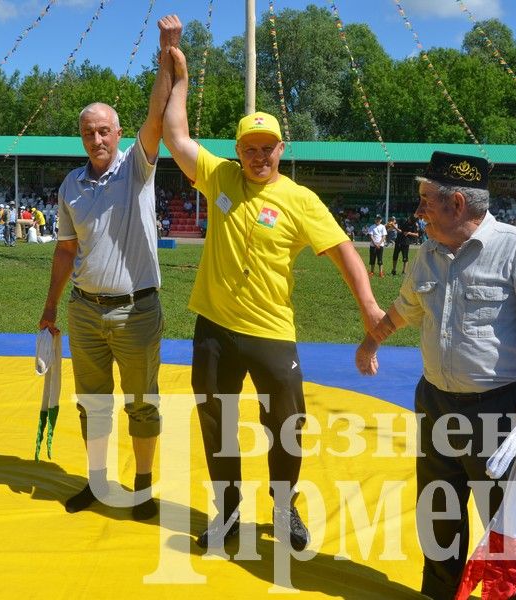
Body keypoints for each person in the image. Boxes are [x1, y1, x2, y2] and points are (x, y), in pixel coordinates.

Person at [162, 45, 384, 551]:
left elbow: (344, 251)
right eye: (250, 148)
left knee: (287, 427)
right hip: (214, 330)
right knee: (217, 425)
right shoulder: (219, 177)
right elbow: (175, 134)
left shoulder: (300, 200)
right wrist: (180, 76)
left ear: (281, 149)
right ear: (238, 150)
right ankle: (229, 510)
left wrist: (369, 306)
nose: (258, 157)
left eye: (268, 148)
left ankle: (284, 509)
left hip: (272, 334)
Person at [356, 151, 516, 600]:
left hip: (500, 408)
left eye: (425, 201)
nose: (417, 211)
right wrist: (373, 340)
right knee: (438, 514)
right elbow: (404, 309)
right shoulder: (428, 253)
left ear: (456, 203)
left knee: (509, 525)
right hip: (436, 403)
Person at [38, 15, 182, 521]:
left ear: (118, 134)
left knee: (142, 405)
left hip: (136, 311)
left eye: (104, 130)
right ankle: (97, 483)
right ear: (81, 138)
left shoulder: (137, 166)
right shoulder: (70, 185)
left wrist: (167, 53)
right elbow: (64, 250)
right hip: (83, 312)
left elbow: (157, 113)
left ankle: (142, 487)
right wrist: (51, 307)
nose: (96, 138)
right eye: (88, 132)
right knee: (91, 404)